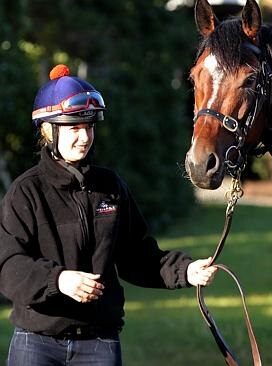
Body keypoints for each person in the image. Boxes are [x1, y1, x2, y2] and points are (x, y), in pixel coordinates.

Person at [0, 64, 218, 366]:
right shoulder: (25, 192)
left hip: (98, 344)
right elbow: (8, 267)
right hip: (36, 345)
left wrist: (187, 271)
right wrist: (59, 280)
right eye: (74, 128)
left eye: (89, 127)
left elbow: (138, 256)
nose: (84, 137)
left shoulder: (111, 187)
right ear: (49, 131)